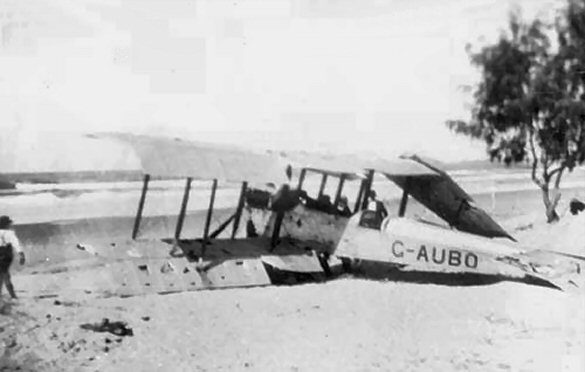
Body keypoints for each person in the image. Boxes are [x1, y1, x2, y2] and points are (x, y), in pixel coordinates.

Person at [0, 215, 25, 300]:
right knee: (5, 274)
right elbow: (16, 244)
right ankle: (13, 295)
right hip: (6, 254)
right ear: (7, 225)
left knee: (2, 274)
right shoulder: (10, 233)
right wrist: (21, 254)